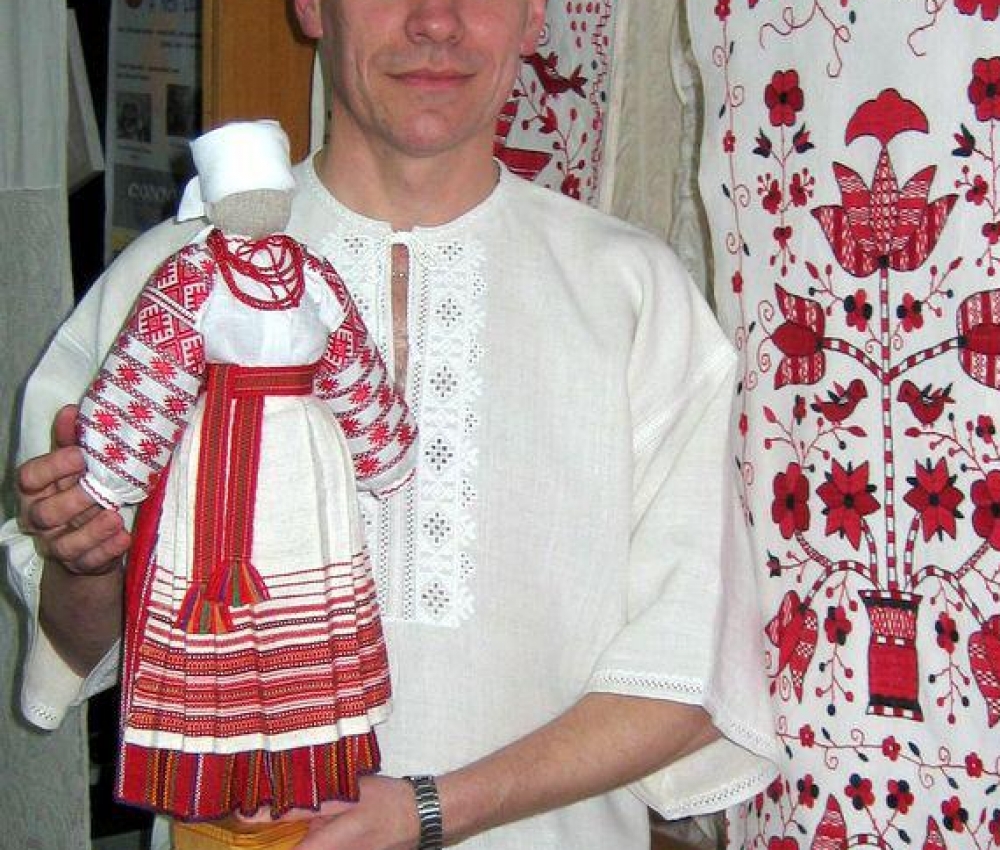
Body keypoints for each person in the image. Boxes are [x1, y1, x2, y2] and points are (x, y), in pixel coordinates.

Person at [3, 1, 780, 848]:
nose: (435, 22)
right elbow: (79, 645)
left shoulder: (633, 294)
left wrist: (431, 809)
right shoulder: (172, 282)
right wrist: (86, 561)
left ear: (532, 17)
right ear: (312, 6)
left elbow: (688, 676)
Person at [75, 120, 416, 827]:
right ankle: (225, 771)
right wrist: (110, 471)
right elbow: (152, 370)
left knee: (303, 600)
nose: (262, 204)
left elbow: (351, 360)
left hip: (305, 458)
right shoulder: (191, 273)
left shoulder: (312, 271)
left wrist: (382, 446)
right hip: (218, 458)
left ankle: (304, 759)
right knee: (223, 621)